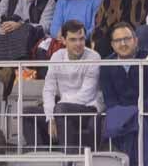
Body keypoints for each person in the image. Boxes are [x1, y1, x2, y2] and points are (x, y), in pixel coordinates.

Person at [100, 22, 148, 165]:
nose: (123, 44)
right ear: (112, 45)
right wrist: (126, 113)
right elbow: (109, 98)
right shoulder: (107, 64)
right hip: (120, 111)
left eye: (127, 39)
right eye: (118, 41)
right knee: (118, 123)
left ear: (136, 40)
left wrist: (136, 112)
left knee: (147, 122)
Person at [40, 19, 102, 149]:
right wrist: (50, 117)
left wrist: (58, 108)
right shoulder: (57, 56)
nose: (79, 43)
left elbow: (86, 94)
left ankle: (69, 160)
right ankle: (42, 160)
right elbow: (48, 90)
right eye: (73, 39)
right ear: (63, 40)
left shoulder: (93, 57)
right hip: (62, 109)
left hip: (88, 108)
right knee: (28, 114)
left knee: (61, 109)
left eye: (81, 39)